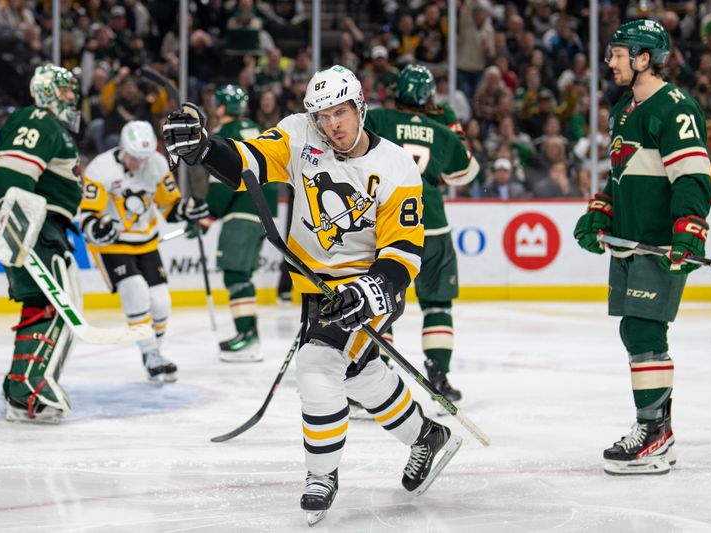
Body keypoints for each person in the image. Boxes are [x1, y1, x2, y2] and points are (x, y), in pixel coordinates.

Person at [162, 64, 462, 524]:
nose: (333, 125)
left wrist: (369, 291)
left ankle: (321, 475)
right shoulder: (300, 134)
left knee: (318, 364)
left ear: (360, 108)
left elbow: (402, 251)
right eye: (323, 116)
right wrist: (206, 148)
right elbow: (248, 162)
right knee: (359, 373)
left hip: (373, 284)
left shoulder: (396, 165)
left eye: (341, 112)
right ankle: (426, 435)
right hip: (316, 286)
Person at [574, 20, 711, 475]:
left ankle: (652, 432)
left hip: (658, 243)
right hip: (630, 244)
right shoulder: (624, 110)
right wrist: (601, 211)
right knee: (639, 333)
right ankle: (660, 431)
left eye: (618, 53)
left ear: (643, 58)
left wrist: (690, 227)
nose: (610, 61)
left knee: (642, 331)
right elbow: (623, 176)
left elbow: (692, 176)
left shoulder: (675, 107)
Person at [365, 64, 480, 405]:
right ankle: (440, 377)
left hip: (389, 226)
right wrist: (452, 131)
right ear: (430, 98)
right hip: (434, 226)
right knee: (437, 304)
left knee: (380, 302)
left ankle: (377, 381)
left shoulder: (379, 120)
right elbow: (467, 172)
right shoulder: (440, 129)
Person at [0, 64, 84, 423]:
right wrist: (18, 224)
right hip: (33, 225)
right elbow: (11, 174)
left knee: (43, 305)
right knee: (55, 305)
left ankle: (20, 390)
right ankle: (31, 388)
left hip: (42, 226)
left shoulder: (55, 128)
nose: (73, 98)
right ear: (49, 91)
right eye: (67, 90)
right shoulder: (39, 118)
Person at [80, 120, 203, 381]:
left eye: (143, 158)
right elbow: (89, 215)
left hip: (146, 242)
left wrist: (188, 210)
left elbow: (170, 207)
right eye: (134, 157)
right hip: (112, 245)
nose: (139, 164)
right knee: (135, 290)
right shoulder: (100, 168)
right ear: (123, 147)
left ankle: (153, 353)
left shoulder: (156, 164)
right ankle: (150, 353)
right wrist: (97, 227)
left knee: (162, 303)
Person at [191, 85, 278, 362]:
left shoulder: (225, 134)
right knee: (242, 275)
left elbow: (222, 183)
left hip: (241, 211)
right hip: (263, 213)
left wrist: (208, 215)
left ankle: (248, 338)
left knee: (236, 275)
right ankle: (249, 335)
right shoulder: (255, 128)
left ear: (221, 107)